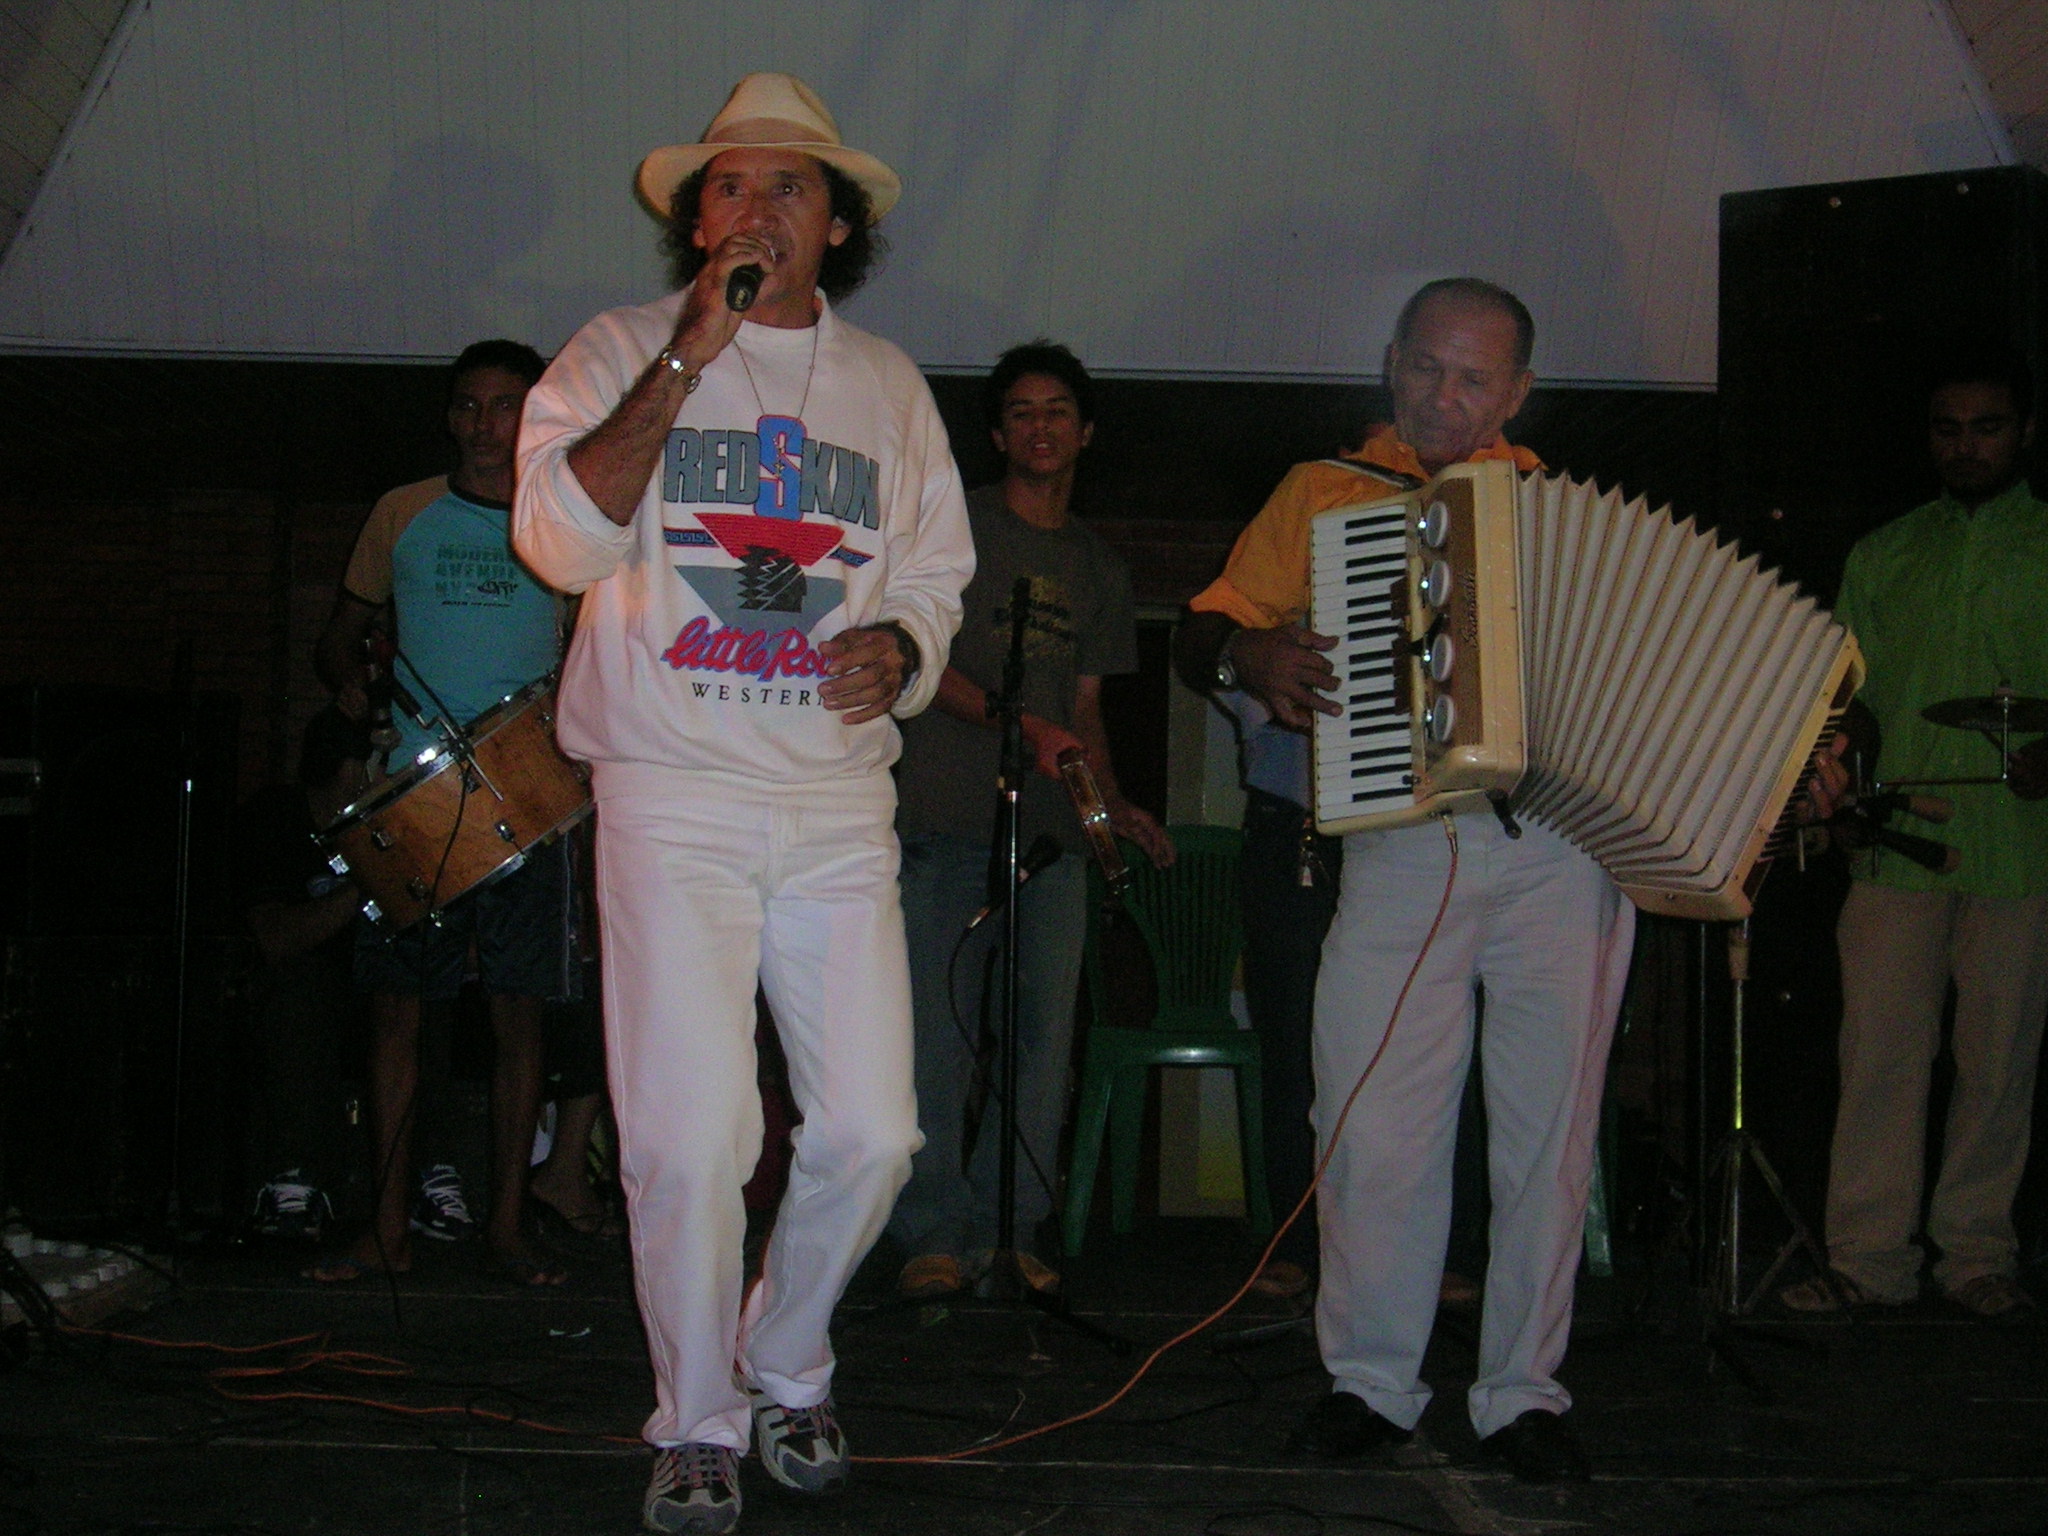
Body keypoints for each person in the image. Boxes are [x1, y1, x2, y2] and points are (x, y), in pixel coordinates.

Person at [511, 73, 973, 1535]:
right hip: (673, 796)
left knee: (874, 1133)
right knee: (690, 1138)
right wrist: (685, 361)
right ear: (694, 223)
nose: (754, 207)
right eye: (728, 186)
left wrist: (903, 649)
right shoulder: (617, 351)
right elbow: (558, 543)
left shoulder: (889, 387)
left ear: (837, 226)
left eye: (788, 186)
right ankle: (699, 1416)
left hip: (834, 806)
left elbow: (934, 574)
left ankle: (786, 1355)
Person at [1173, 278, 1628, 1483]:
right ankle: (1369, 1383)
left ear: (1517, 392)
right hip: (1396, 841)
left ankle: (1521, 1393)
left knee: (1546, 1133)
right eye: (1425, 367)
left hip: (1561, 852)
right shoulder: (1324, 493)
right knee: (1368, 1122)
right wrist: (1242, 652)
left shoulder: (1562, 515)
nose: (1442, 396)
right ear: (1389, 362)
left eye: (1473, 378)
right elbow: (1199, 628)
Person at [887, 341, 1172, 1300]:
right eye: (1020, 412)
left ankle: (1011, 1233)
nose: (1039, 427)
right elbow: (917, 662)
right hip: (943, 822)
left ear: (1085, 432)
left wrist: (1113, 806)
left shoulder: (1098, 566)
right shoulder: (953, 526)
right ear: (998, 433)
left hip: (1050, 840)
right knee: (937, 1040)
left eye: (1056, 411)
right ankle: (932, 1233)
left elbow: (1085, 711)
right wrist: (1018, 724)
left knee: (1043, 1046)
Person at [1781, 351, 2048, 1321]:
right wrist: (1839, 775)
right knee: (1879, 1056)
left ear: (2023, 433)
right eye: (1948, 428)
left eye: (1986, 427)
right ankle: (1868, 1259)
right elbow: (1848, 699)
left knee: (1997, 1062)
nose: (1965, 446)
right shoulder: (1883, 552)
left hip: (2023, 847)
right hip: (1898, 844)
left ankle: (1975, 1255)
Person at [310, 339, 573, 1288]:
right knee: (396, 1015)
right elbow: (338, 640)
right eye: (467, 406)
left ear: (534, 413)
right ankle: (387, 1230)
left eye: (504, 406)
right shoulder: (404, 512)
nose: (482, 425)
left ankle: (505, 1228)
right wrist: (350, 684)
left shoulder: (565, 519)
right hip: (418, 796)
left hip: (529, 798)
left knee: (517, 1020)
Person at [240, 707, 374, 1243]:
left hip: (377, 985)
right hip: (303, 992)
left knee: (421, 993)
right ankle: (294, 1176)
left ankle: (430, 1175)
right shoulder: (276, 819)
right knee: (299, 992)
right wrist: (368, 881)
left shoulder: (387, 820)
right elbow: (275, 938)